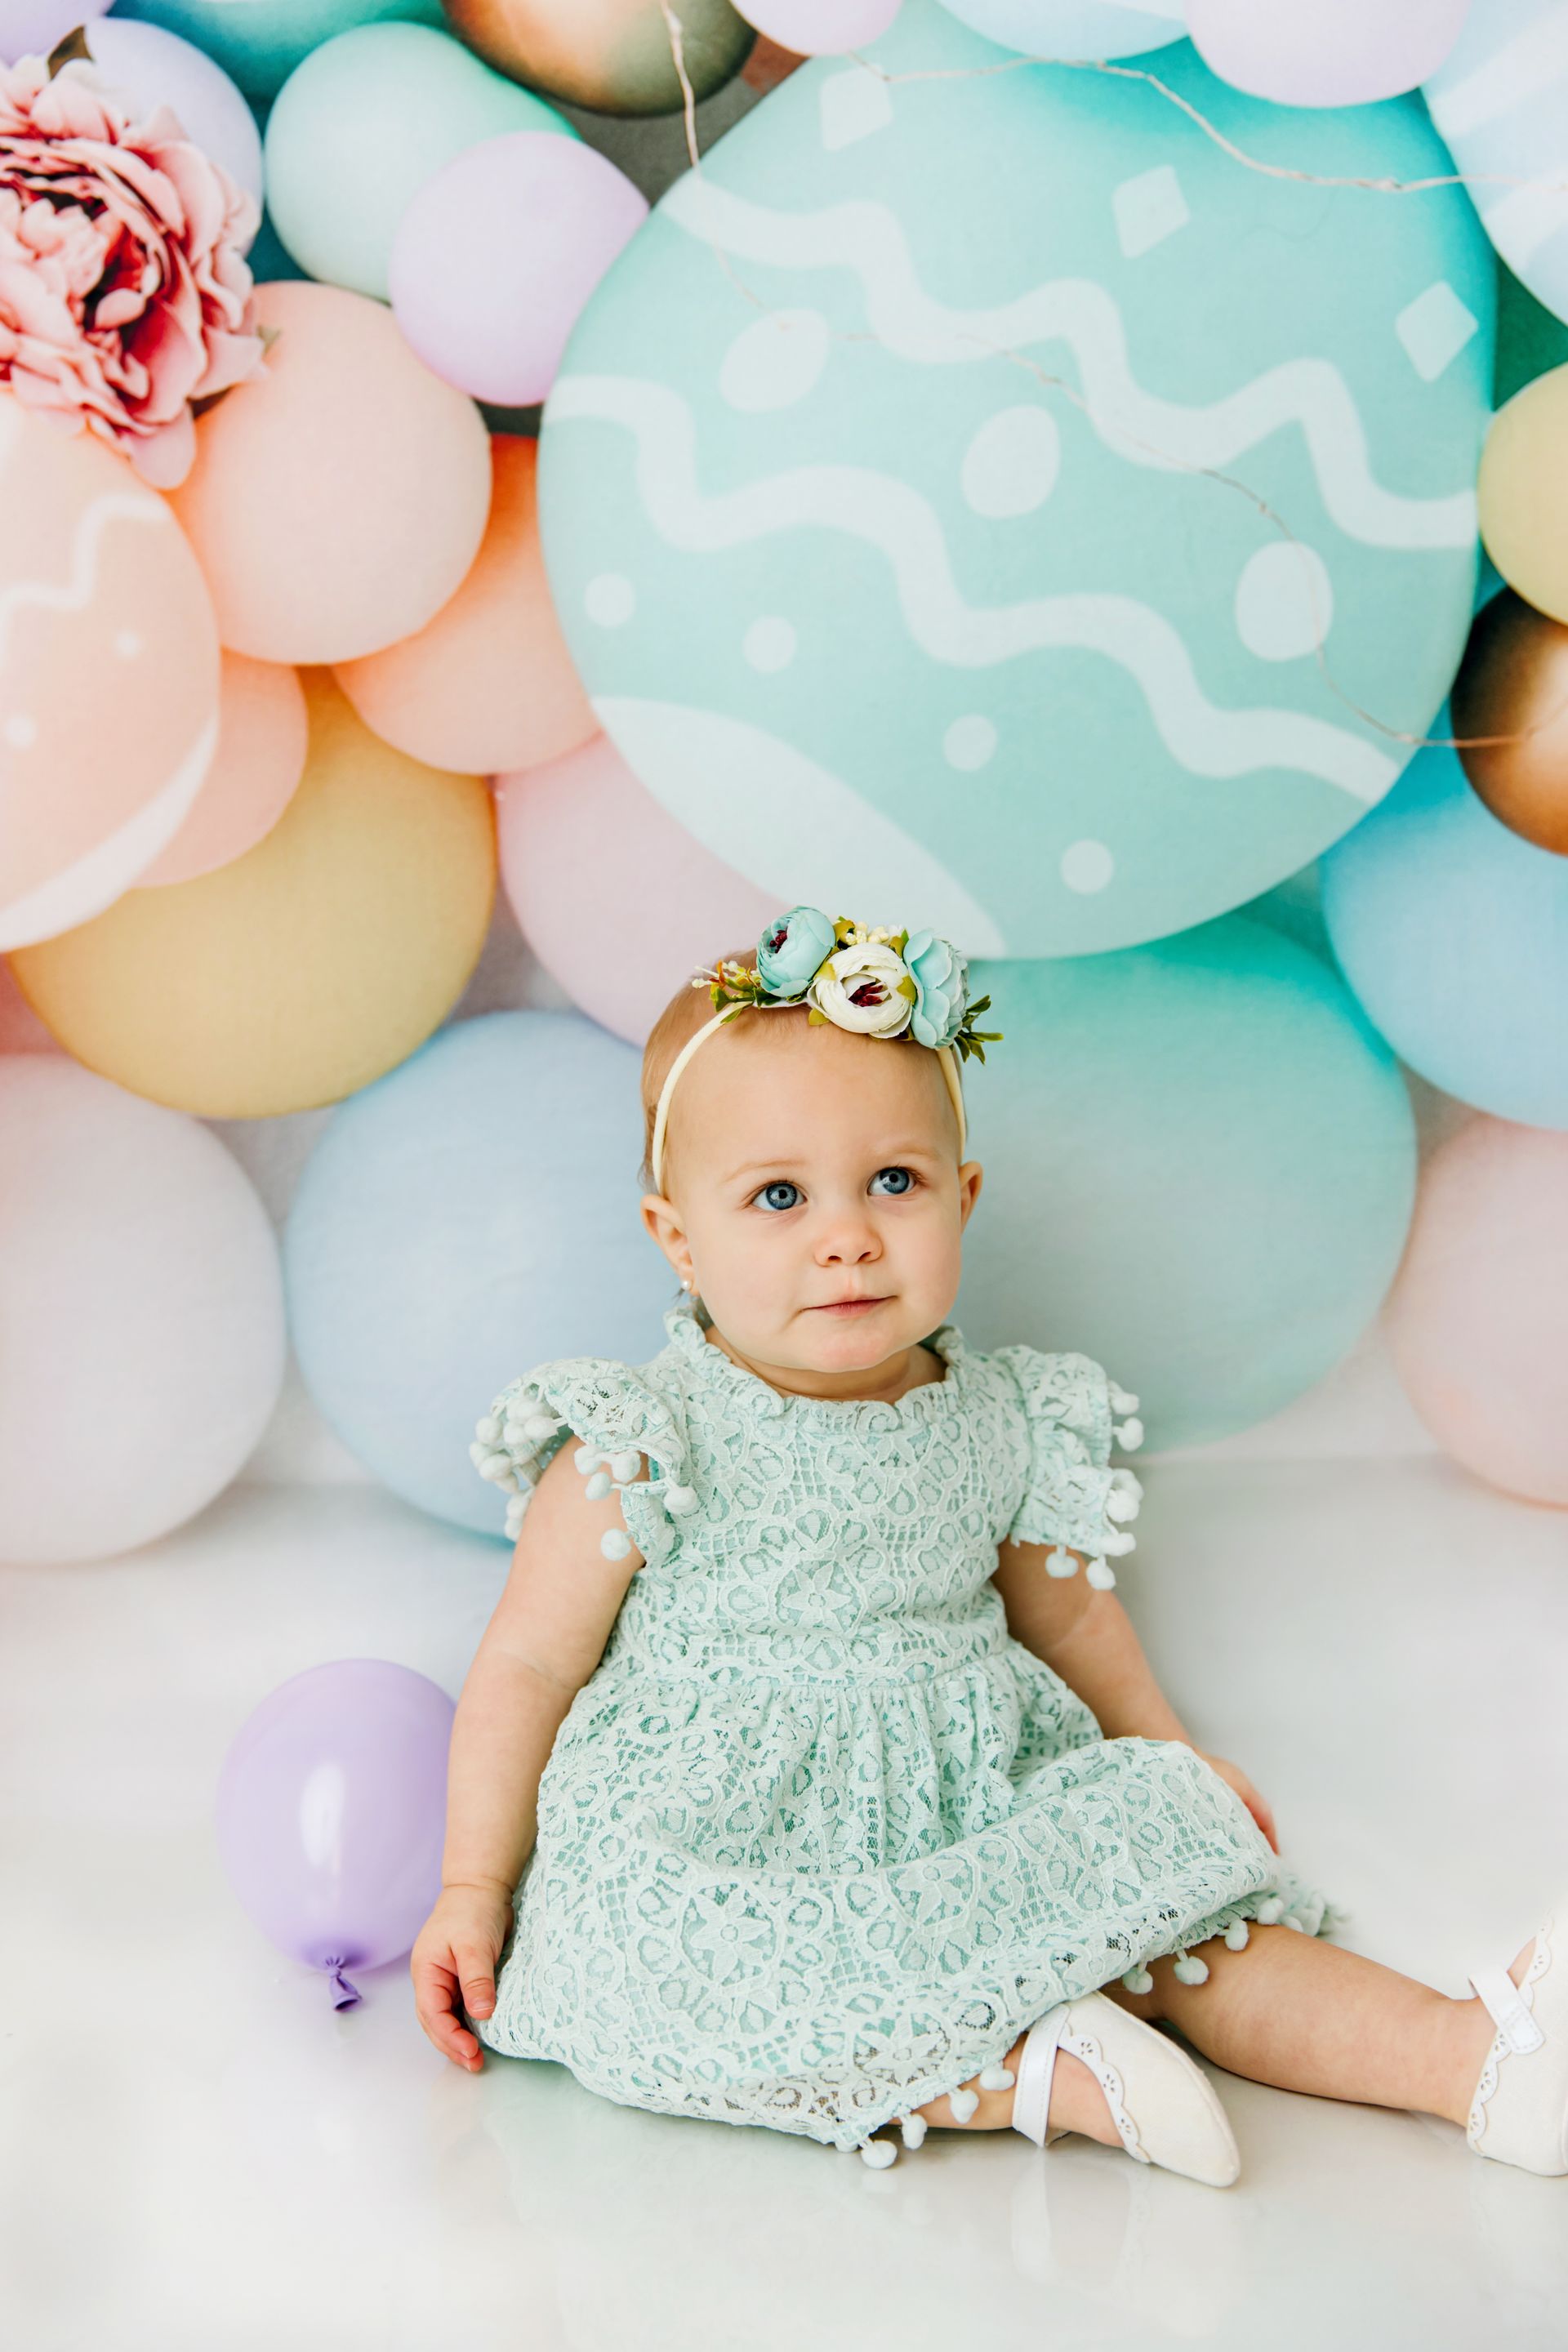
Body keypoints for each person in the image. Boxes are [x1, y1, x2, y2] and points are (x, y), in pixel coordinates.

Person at [411, 906, 1566, 2181]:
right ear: (678, 1239)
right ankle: (1039, 2075)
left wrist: (1166, 1755)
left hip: (978, 1793)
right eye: (779, 1196)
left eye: (892, 1183)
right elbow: (526, 1666)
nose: (845, 1235)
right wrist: (475, 1882)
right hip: (733, 1831)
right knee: (646, 1963)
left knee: (1185, 1916)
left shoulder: (1005, 1418)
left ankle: (1464, 2059)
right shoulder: (643, 1440)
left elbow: (1067, 1620)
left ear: (963, 1198)